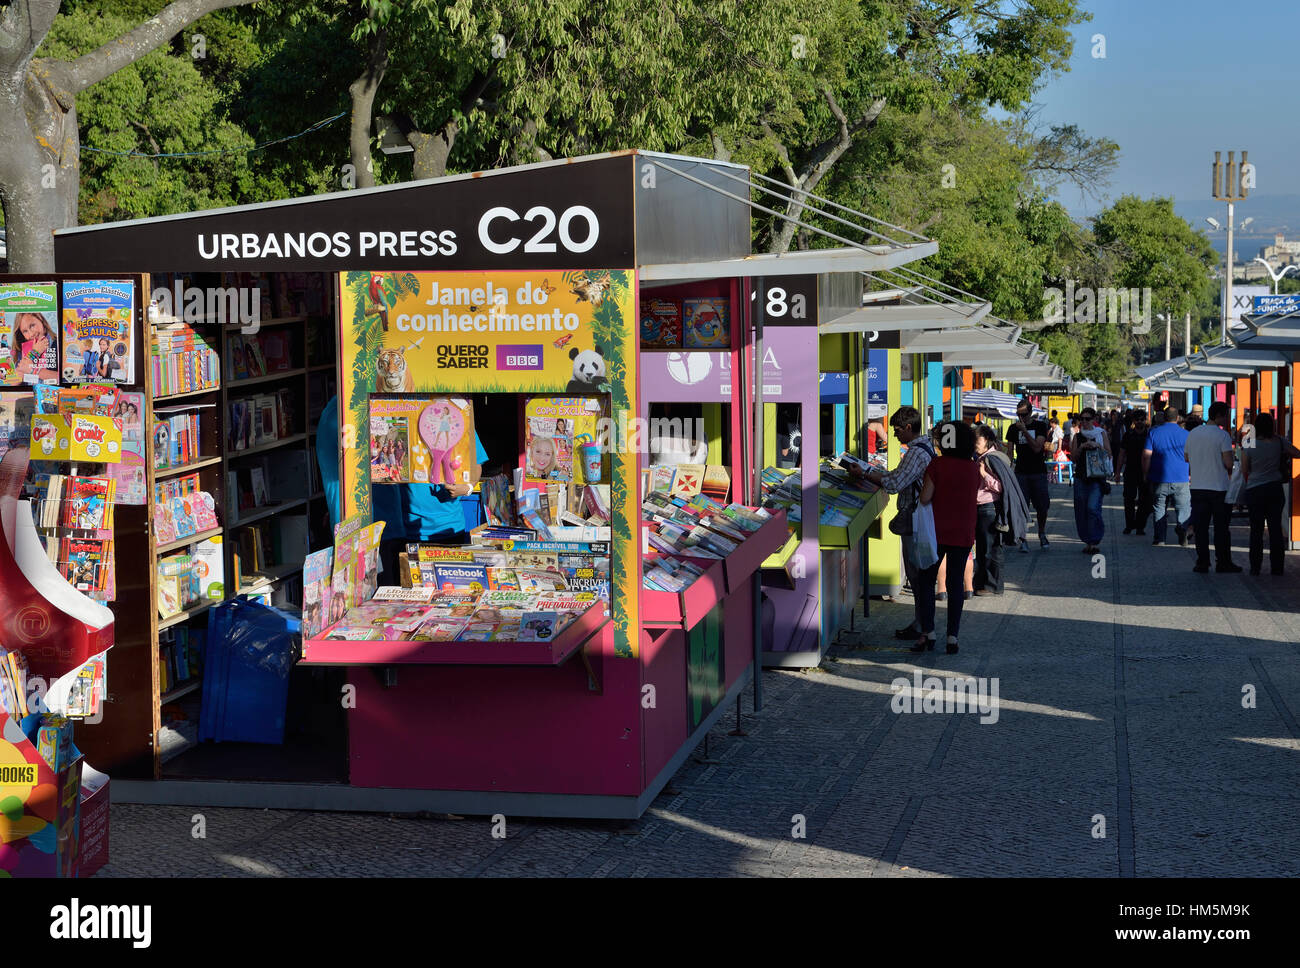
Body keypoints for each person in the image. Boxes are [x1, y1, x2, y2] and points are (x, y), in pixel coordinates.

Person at [860, 406, 934, 641]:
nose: (894, 434)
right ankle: (921, 623)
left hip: (915, 519)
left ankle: (923, 625)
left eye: (897, 430)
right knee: (918, 575)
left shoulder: (915, 453)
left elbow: (894, 483)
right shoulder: (925, 448)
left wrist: (864, 473)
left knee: (917, 574)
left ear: (909, 428)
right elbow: (897, 476)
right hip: (920, 518)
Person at [913, 420, 979, 655]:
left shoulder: (937, 465)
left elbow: (924, 498)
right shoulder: (973, 467)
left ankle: (929, 632)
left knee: (927, 579)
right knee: (955, 583)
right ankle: (953, 636)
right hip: (963, 530)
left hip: (937, 531)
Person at [1184, 400, 1241, 574]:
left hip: (1198, 487)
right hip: (1219, 488)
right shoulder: (1222, 436)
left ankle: (1202, 562)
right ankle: (1223, 562)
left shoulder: (1193, 433)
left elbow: (1186, 457)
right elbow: (1228, 463)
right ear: (1219, 415)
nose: (1227, 419)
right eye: (1226, 415)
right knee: (1221, 528)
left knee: (1201, 528)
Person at [1240, 412, 1299, 576]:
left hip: (1255, 490)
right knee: (1275, 529)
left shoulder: (1249, 442)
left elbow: (1245, 469)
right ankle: (1277, 567)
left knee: (1256, 530)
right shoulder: (1279, 441)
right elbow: (1297, 453)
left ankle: (1255, 567)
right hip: (1274, 489)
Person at [1005, 397, 1050, 552]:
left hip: (1038, 471)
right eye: (1019, 415)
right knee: (1021, 507)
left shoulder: (1040, 426)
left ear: (1031, 413)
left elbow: (1038, 448)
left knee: (1042, 507)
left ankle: (1041, 532)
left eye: (1024, 415)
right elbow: (1010, 452)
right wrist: (1007, 468)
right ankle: (1023, 538)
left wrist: (1024, 431)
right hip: (1021, 473)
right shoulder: (1012, 429)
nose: (1021, 418)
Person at [1143, 406, 1190, 546]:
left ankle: (1160, 539)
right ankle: (1183, 531)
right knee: (1183, 508)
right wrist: (1190, 474)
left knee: (1159, 507)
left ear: (1164, 418)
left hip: (1159, 477)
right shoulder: (1186, 434)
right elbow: (1191, 456)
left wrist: (1145, 474)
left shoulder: (1153, 433)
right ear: (1178, 418)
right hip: (1181, 477)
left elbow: (1146, 456)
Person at [1070, 408, 1110, 554]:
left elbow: (1109, 454)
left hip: (1096, 478)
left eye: (1088, 419)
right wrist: (1081, 447)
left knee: (1093, 508)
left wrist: (1098, 446)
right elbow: (1073, 458)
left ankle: (1094, 540)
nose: (1085, 422)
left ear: (1093, 419)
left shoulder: (1100, 434)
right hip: (1081, 476)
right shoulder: (1077, 437)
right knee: (1081, 509)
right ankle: (1087, 541)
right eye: (1083, 419)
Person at [973, 425, 1007, 595]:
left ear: (986, 440)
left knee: (990, 548)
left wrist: (984, 475)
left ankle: (992, 585)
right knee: (983, 548)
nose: (975, 444)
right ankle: (983, 583)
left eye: (977, 440)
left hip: (989, 508)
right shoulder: (982, 457)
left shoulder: (991, 459)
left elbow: (1000, 487)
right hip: (981, 508)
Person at [1116, 410, 1153, 535]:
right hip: (1130, 471)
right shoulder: (1128, 435)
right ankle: (1129, 525)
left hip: (1146, 471)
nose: (1140, 422)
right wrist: (1117, 472)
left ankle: (1140, 526)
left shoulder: (1149, 435)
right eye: (1137, 419)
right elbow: (1121, 454)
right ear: (1133, 421)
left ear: (1145, 420)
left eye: (1142, 419)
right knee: (1128, 499)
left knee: (1145, 500)